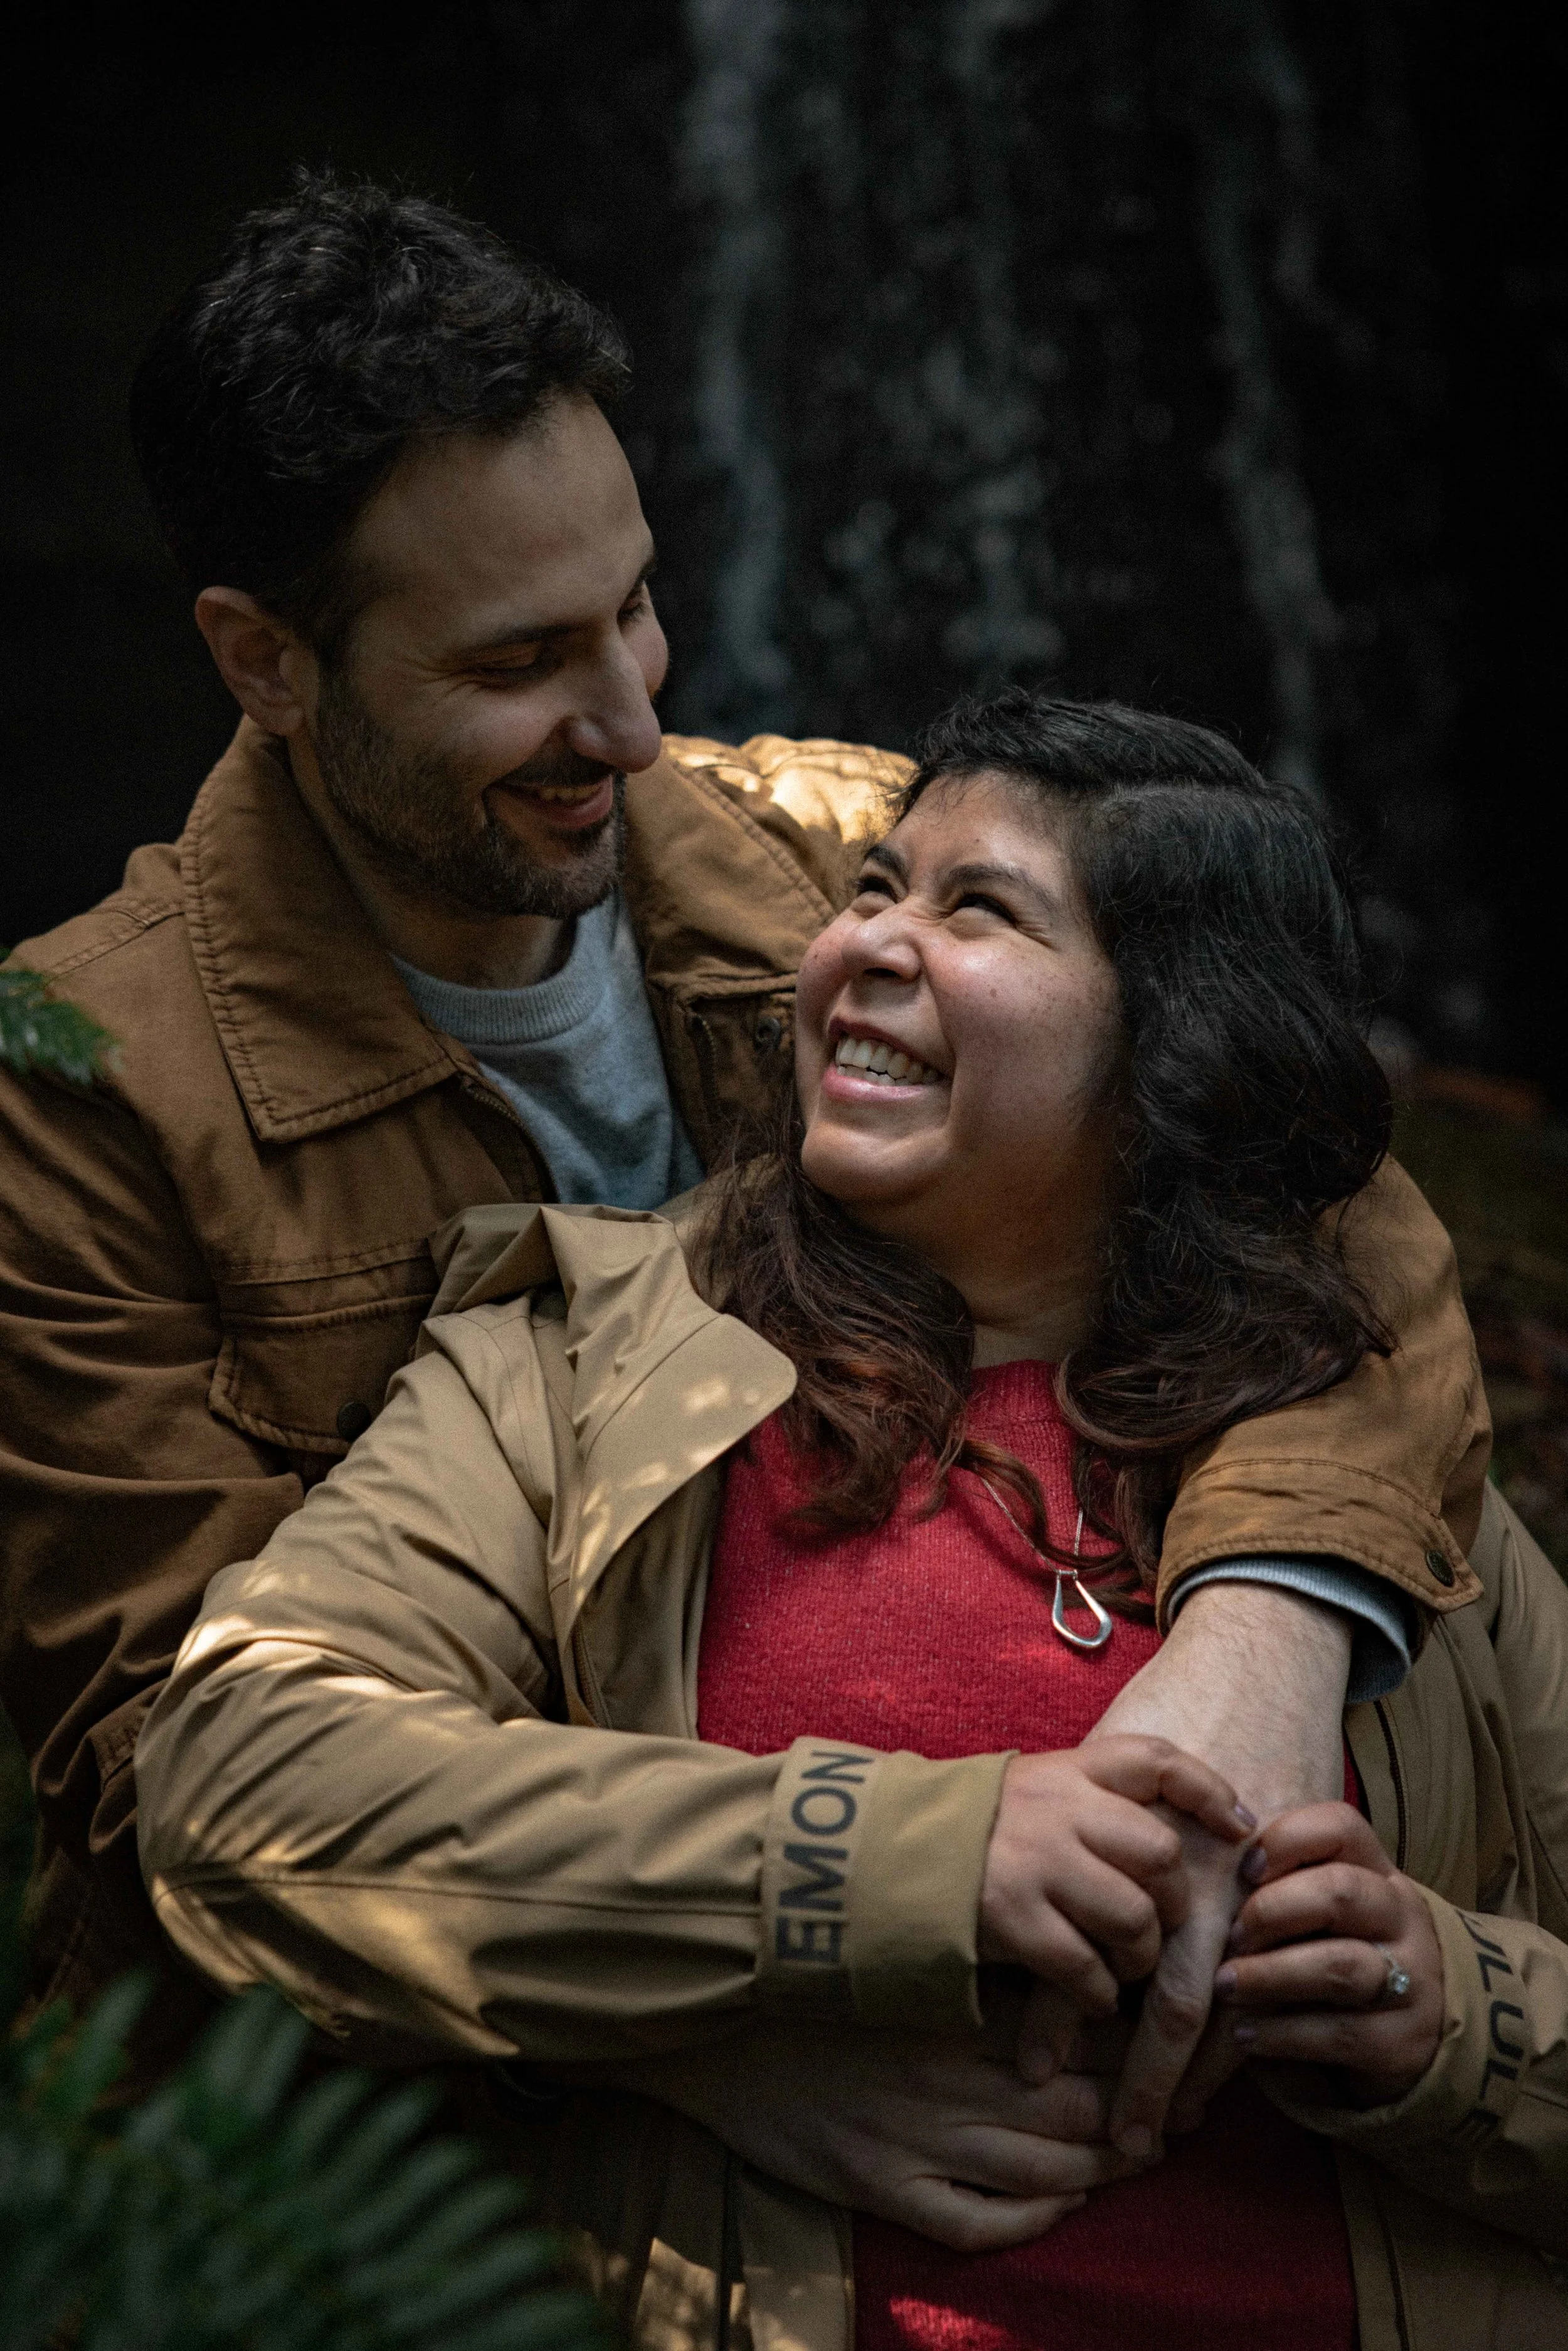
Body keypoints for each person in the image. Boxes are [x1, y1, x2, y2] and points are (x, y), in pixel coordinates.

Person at [0, 179, 1482, 2165]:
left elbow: (1318, 1185)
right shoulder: (80, 1089)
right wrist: (708, 2038)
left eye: (633, 601)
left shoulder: (838, 860)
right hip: (426, 2157)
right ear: (263, 660)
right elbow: (157, 1782)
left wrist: (1266, 1637)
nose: (630, 718)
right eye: (521, 657)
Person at [135, 696, 1562, 2350]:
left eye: (979, 909)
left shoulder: (1380, 1477)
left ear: (1180, 1041)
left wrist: (1453, 2016)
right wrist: (890, 1870)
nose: (868, 939)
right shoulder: (589, 1362)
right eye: (874, 887)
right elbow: (244, 1774)